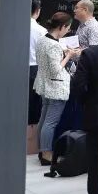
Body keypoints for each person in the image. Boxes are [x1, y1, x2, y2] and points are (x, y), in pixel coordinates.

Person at [69, 13, 98, 194]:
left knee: (96, 167)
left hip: (97, 116)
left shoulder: (91, 54)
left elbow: (78, 87)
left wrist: (88, 102)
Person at [34, 12, 78, 166]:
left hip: (45, 84)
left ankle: (42, 151)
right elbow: (56, 69)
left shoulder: (43, 39)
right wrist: (69, 56)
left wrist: (64, 54)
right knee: (50, 122)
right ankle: (46, 154)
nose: (68, 31)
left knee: (44, 119)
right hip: (55, 86)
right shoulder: (53, 45)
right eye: (68, 28)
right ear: (62, 26)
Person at [28, 0, 47, 128]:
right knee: (33, 105)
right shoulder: (41, 31)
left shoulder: (13, 27)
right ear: (38, 11)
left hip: (14, 67)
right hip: (34, 69)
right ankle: (30, 135)